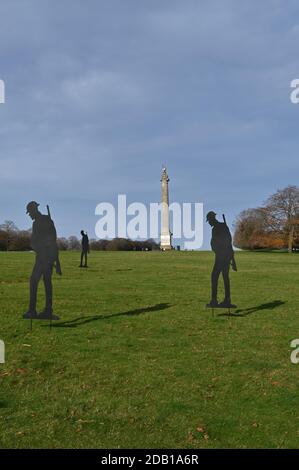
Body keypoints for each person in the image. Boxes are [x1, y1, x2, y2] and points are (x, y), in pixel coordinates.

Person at [23, 201, 61, 320]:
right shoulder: (39, 222)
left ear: (34, 210)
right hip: (43, 256)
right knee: (45, 282)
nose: (30, 215)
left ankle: (37, 311)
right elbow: (34, 241)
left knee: (38, 281)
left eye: (30, 213)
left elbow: (53, 240)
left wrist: (53, 258)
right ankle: (45, 310)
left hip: (45, 258)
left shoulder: (46, 220)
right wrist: (37, 246)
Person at [206, 211, 236, 308]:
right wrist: (231, 256)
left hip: (220, 256)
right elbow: (229, 241)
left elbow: (215, 243)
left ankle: (214, 301)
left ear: (212, 219)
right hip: (226, 255)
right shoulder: (223, 226)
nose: (209, 223)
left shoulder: (216, 229)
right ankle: (227, 300)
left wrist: (217, 251)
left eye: (209, 221)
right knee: (225, 277)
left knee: (214, 277)